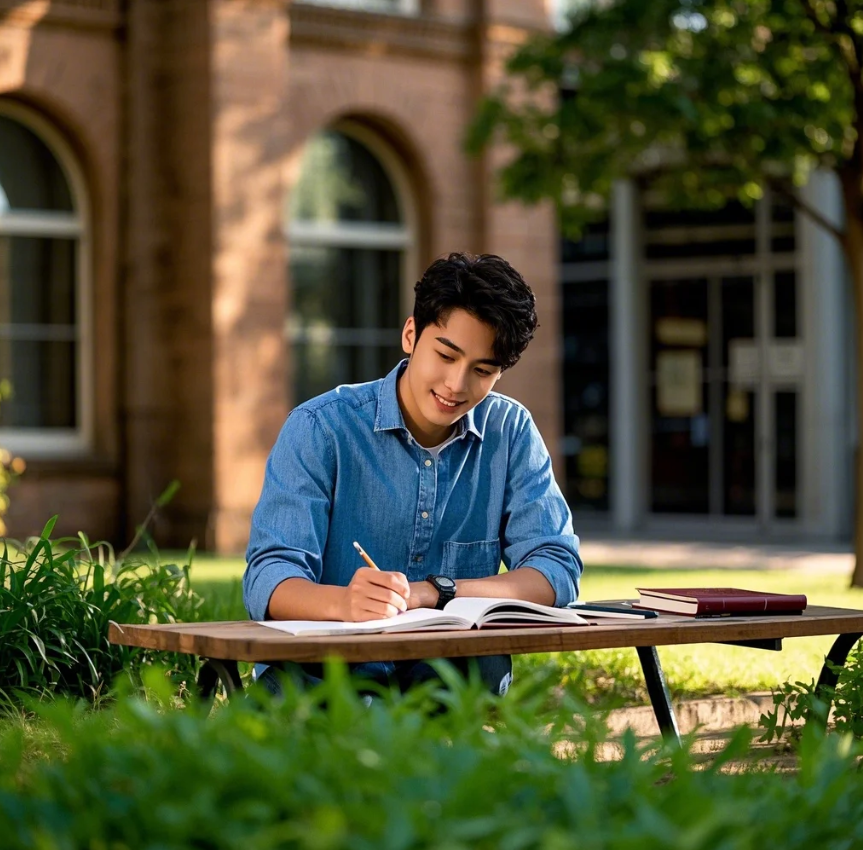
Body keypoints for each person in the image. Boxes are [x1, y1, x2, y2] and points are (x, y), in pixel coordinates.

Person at [243, 252, 582, 698]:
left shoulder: (511, 433)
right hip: (324, 678)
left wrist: (435, 592)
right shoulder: (321, 428)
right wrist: (344, 603)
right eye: (446, 355)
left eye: (483, 371)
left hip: (449, 685)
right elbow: (269, 577)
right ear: (410, 335)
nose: (456, 385)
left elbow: (555, 570)